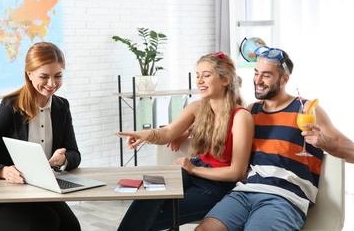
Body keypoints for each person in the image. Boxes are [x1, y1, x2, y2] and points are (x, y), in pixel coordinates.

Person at [195, 46, 354, 231]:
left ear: (284, 79)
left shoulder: (307, 109)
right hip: (244, 192)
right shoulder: (251, 111)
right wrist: (187, 133)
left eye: (266, 75)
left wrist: (325, 142)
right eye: (256, 73)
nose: (258, 81)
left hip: (284, 198)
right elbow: (219, 127)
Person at [116, 52, 254, 231]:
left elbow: (236, 172)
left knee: (152, 218)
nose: (199, 81)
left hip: (218, 185)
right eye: (198, 76)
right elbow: (167, 132)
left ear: (225, 80)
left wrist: (194, 169)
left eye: (206, 75)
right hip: (191, 170)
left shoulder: (241, 117)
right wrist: (145, 135)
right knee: (148, 198)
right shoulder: (197, 108)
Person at [0, 42, 81, 231]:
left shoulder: (61, 107)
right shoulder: (11, 108)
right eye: (44, 76)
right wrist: (2, 171)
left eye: (58, 76)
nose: (52, 84)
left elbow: (75, 153)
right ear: (29, 74)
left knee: (71, 227)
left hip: (39, 190)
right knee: (46, 223)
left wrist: (64, 159)